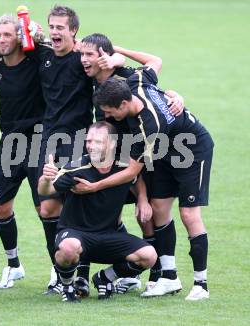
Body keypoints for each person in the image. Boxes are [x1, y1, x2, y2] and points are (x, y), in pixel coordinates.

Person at [91, 61, 214, 301]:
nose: (107, 116)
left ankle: (201, 284)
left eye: (110, 111)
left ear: (124, 104)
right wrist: (118, 53)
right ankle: (169, 277)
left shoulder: (150, 126)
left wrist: (95, 186)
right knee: (159, 209)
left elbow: (130, 171)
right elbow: (154, 61)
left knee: (189, 214)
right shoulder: (133, 83)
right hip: (166, 153)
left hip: (193, 151)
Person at [77, 33, 185, 295]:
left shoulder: (124, 78)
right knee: (100, 211)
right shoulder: (83, 74)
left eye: (90, 54)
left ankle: (156, 274)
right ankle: (102, 274)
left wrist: (173, 94)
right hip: (104, 154)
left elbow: (154, 74)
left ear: (104, 56)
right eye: (82, 54)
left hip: (138, 153)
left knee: (145, 213)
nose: (84, 59)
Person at [31, 5, 126, 294]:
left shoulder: (83, 59)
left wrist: (118, 55)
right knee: (46, 207)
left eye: (62, 27)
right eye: (52, 27)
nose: (55, 31)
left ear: (74, 31)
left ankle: (79, 275)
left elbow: (114, 63)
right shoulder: (43, 52)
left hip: (78, 138)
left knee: (77, 205)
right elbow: (5, 42)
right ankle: (59, 273)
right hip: (47, 139)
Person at [38, 121, 157, 302]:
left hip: (109, 236)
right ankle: (68, 285)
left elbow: (135, 177)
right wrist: (46, 179)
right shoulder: (76, 168)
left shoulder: (124, 166)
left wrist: (142, 199)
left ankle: (105, 278)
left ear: (112, 143)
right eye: (89, 141)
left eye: (98, 142)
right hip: (76, 234)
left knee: (149, 256)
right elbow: (45, 191)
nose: (91, 146)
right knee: (68, 249)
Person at [0, 14, 45, 288]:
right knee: (2, 206)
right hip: (9, 141)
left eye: (7, 35)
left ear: (19, 37)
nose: (1, 40)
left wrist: (38, 33)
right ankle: (14, 264)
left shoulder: (36, 61)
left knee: (44, 207)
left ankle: (57, 269)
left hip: (37, 140)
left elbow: (49, 43)